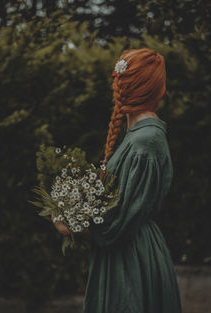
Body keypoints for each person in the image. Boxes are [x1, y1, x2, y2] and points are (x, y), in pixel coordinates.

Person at [53, 47, 183, 313]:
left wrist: (70, 225)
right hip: (130, 253)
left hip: (131, 261)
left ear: (119, 86)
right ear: (159, 90)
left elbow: (118, 226)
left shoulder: (144, 142)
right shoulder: (139, 136)